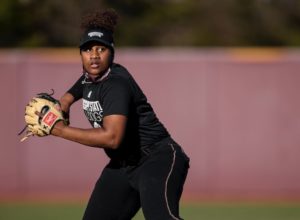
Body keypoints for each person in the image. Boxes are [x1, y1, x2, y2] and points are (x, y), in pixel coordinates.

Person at [51, 8, 190, 220]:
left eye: (101, 49)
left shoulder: (116, 84)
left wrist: (59, 130)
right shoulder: (90, 77)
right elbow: (79, 86)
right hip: (122, 166)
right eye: (88, 50)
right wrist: (65, 101)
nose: (94, 56)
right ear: (81, 54)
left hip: (156, 158)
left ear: (112, 52)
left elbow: (112, 138)